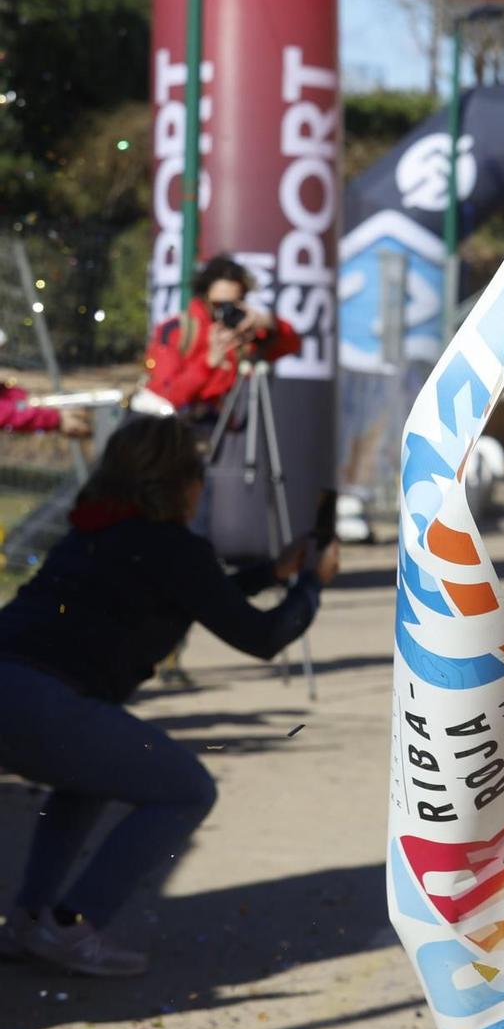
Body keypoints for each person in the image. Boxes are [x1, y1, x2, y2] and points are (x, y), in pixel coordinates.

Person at [0, 416, 337, 977]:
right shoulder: (172, 547)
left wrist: (273, 571)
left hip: (15, 684)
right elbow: (262, 637)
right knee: (186, 789)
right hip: (47, 701)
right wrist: (311, 584)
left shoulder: (92, 533)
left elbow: (192, 595)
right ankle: (70, 924)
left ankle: (29, 922)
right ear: (181, 482)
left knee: (87, 780)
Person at [140, 256, 300, 418]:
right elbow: (164, 395)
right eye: (218, 305)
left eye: (232, 304)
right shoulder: (178, 331)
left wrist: (268, 322)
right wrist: (208, 362)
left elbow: (293, 344)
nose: (224, 312)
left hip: (224, 430)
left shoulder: (243, 337)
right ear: (204, 296)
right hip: (182, 429)